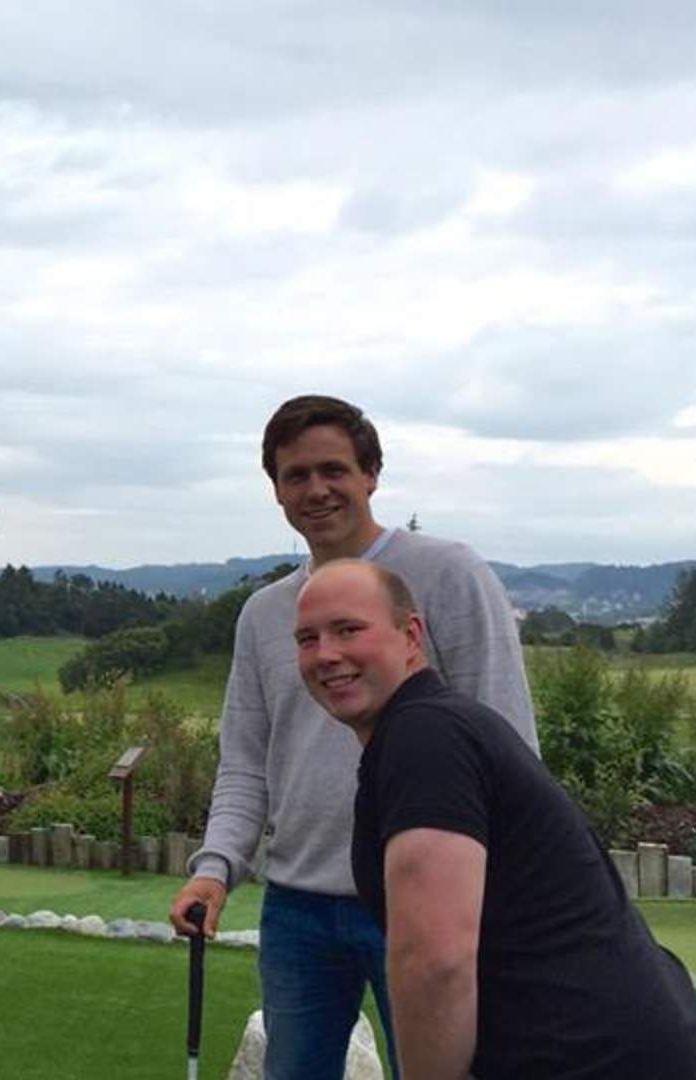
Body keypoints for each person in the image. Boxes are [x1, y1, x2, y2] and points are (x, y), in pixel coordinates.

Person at [170, 394, 536, 1078]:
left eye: (333, 469)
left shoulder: (449, 574)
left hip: (425, 903)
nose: (316, 489)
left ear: (371, 474)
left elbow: (507, 740)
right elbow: (246, 763)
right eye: (295, 476)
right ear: (276, 490)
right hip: (298, 909)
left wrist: (506, 888)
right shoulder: (263, 616)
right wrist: (216, 868)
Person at [294, 560, 696, 1079]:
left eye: (348, 629)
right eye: (307, 638)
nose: (326, 654)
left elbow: (434, 960)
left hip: (594, 1059)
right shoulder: (437, 727)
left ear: (411, 634)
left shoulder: (425, 738)